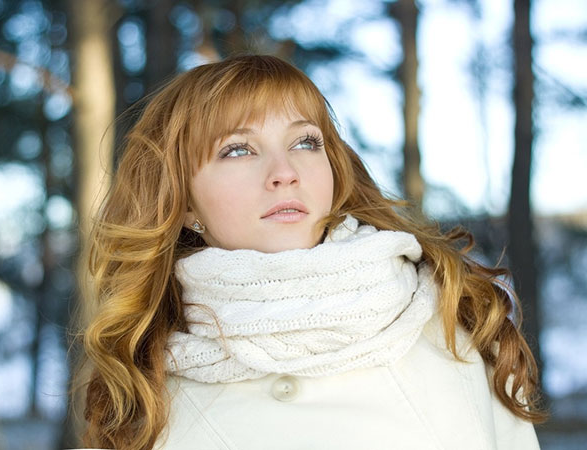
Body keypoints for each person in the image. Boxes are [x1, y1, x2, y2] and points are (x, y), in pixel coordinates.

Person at [78, 55, 545, 450]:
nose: (284, 171)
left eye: (305, 142)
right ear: (181, 203)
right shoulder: (146, 387)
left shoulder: (453, 318)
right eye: (239, 150)